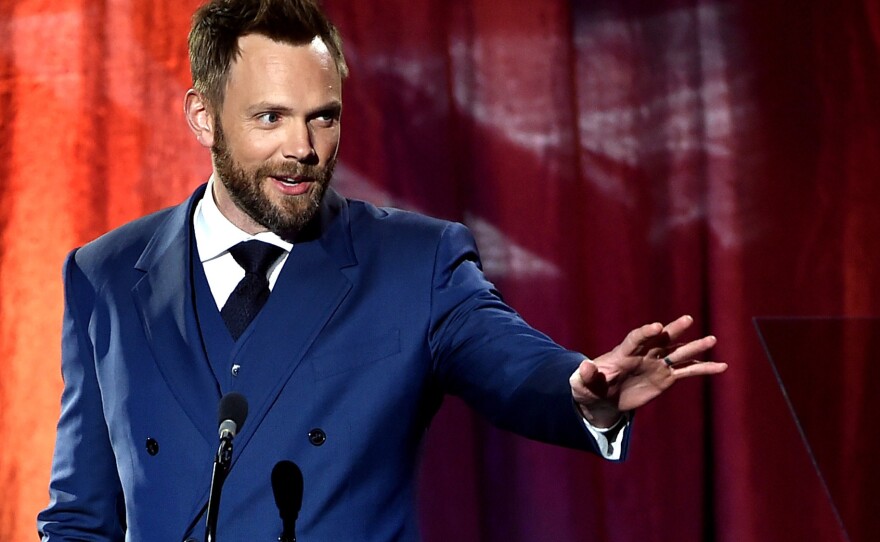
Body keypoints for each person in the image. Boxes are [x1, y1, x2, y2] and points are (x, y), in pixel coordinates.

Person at [37, 0, 727, 540]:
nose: (303, 148)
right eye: (270, 117)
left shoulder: (413, 263)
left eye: (323, 117)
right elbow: (79, 516)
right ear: (203, 116)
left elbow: (503, 355)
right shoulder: (103, 276)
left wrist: (582, 393)